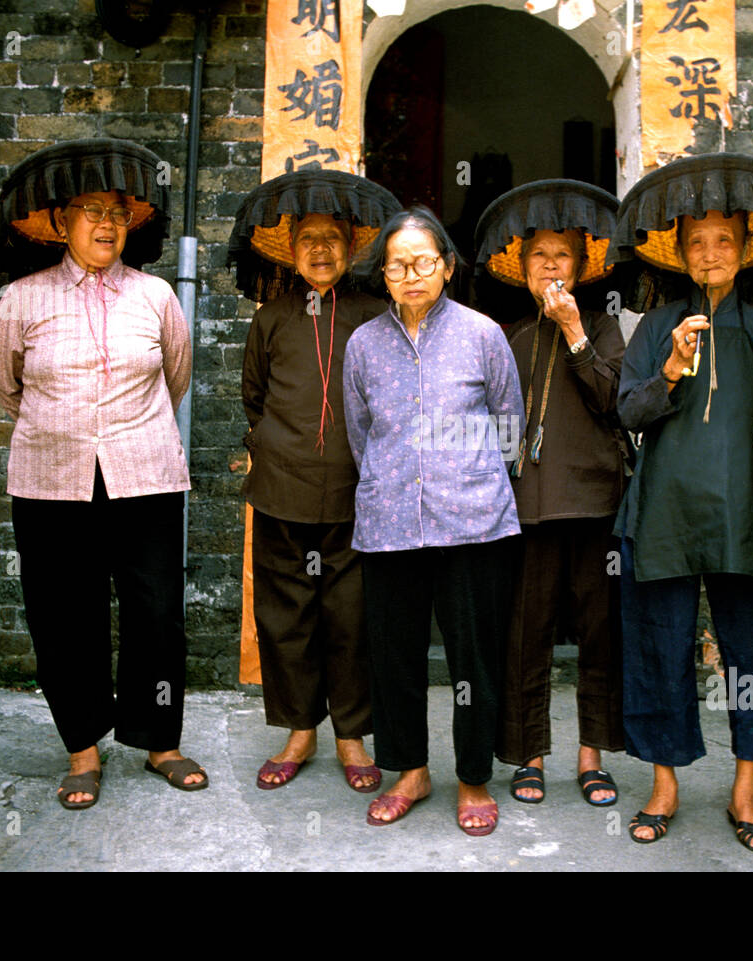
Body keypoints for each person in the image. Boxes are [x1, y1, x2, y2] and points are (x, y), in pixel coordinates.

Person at [609, 154, 753, 852]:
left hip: (742, 517)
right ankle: (664, 784)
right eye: (697, 242)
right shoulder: (656, 327)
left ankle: (746, 789)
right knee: (658, 650)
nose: (710, 252)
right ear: (680, 254)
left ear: (744, 249)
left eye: (723, 240)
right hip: (661, 516)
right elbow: (628, 413)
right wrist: (668, 372)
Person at [0, 184, 206, 809]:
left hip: (145, 474)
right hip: (52, 479)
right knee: (63, 614)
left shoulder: (156, 295)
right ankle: (83, 749)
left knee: (157, 610)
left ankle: (159, 741)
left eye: (118, 214)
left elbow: (175, 377)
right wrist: (64, 428)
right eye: (92, 212)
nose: (107, 225)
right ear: (62, 221)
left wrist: (127, 429)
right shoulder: (24, 298)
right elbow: (7, 384)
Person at [343, 206, 524, 836]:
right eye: (398, 265)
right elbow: (359, 433)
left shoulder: (482, 334)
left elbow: (510, 426)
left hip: (473, 522)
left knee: (474, 658)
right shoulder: (363, 344)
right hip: (391, 519)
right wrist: (397, 478)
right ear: (384, 274)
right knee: (394, 655)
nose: (411, 274)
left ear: (446, 266)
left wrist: (466, 477)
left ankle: (472, 777)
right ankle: (410, 771)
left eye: (424, 262)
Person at [235, 171, 399, 794]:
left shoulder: (375, 315)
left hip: (360, 499)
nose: (321, 251)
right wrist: (276, 448)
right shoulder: (272, 318)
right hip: (282, 495)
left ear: (352, 247)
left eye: (332, 239)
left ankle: (351, 735)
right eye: (309, 240)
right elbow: (255, 400)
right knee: (286, 620)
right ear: (292, 250)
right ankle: (299, 728)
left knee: (351, 620)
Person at [473, 181, 627, 806]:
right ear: (525, 270)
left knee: (599, 633)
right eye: (539, 256)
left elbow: (616, 402)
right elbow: (494, 426)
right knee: (525, 634)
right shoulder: (510, 339)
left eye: (562, 255)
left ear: (582, 267)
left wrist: (574, 333)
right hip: (528, 508)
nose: (551, 266)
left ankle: (592, 758)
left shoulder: (606, 327)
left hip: (596, 505)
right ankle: (528, 755)